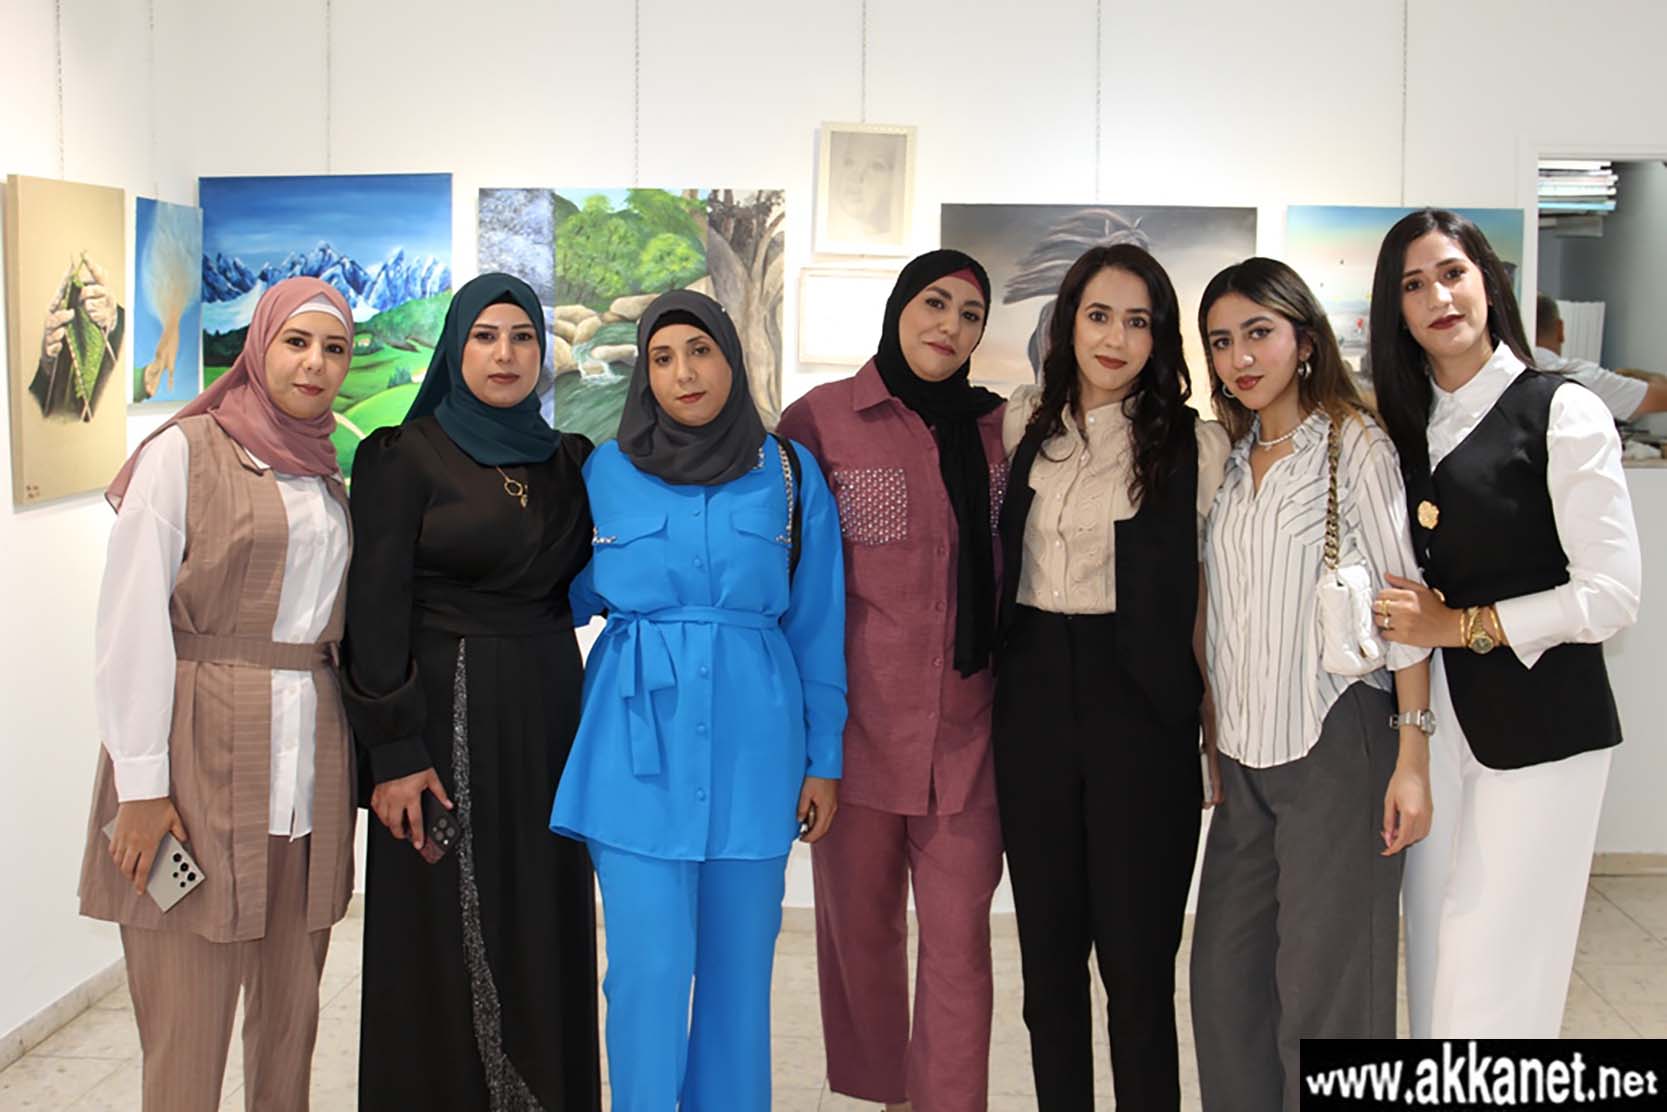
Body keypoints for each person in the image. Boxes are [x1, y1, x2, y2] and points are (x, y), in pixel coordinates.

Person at [549, 289, 845, 1110]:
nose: (684, 373)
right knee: (645, 975)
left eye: (700, 351)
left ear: (730, 357)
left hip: (756, 758)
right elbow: (556, 593)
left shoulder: (788, 473)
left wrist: (824, 758)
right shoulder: (604, 471)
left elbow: (819, 624)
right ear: (644, 373)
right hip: (633, 758)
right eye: (662, 357)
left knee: (737, 983)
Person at [78, 276, 357, 1111]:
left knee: (290, 1021)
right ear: (259, 345)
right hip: (194, 770)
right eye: (296, 342)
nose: (314, 364)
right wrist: (141, 786)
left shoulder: (327, 473)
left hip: (306, 780)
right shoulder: (184, 453)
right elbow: (130, 624)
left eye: (334, 348)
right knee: (186, 1021)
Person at [1369, 209, 1641, 1038]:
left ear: (1487, 281)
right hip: (1439, 730)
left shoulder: (1561, 411)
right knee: (1436, 966)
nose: (1438, 297)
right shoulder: (1404, 429)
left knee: (1496, 979)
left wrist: (1461, 627)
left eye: (1451, 273)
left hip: (1544, 731)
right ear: (1394, 310)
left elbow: (1610, 595)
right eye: (1413, 285)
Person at [343, 273, 602, 1109]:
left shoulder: (570, 461)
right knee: (442, 920)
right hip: (440, 716)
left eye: (522, 337)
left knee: (541, 911)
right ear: (456, 347)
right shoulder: (401, 456)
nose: (505, 354)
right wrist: (392, 751)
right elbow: (373, 610)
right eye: (485, 335)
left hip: (548, 711)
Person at [1189, 258, 1433, 1112]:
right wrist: (1209, 736)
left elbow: (1404, 603)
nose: (1239, 357)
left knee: (1330, 994)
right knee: (1224, 987)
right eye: (1221, 341)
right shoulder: (1227, 460)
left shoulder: (1354, 445)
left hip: (1337, 740)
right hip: (1242, 756)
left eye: (1257, 333)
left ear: (1302, 339)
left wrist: (1412, 756)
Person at [994, 243, 1228, 1111]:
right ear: (1067, 324)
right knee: (1048, 968)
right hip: (1032, 701)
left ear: (1159, 337)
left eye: (1138, 321)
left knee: (1136, 972)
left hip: (1143, 710)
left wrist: (1211, 728)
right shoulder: (1025, 424)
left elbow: (1207, 601)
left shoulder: (1196, 447)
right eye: (1099, 316)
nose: (1115, 339)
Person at [778, 249, 1006, 1112]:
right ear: (900, 306)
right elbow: (787, 583)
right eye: (934, 303)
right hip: (854, 738)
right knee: (860, 939)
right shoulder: (818, 422)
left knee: (958, 946)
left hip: (968, 737)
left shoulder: (999, 432)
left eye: (970, 314)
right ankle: (885, 1096)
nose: (950, 326)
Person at [1533, 291, 1667, 421]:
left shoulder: (1521, 374)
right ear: (1560, 329)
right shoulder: (1585, 378)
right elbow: (1663, 396)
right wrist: (1635, 374)